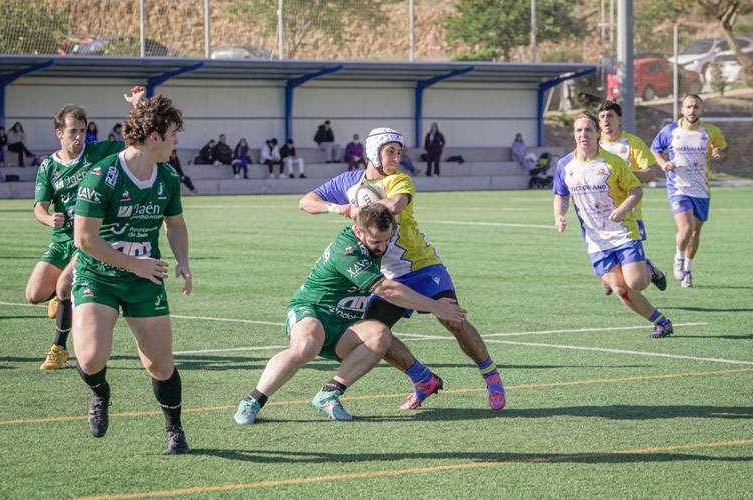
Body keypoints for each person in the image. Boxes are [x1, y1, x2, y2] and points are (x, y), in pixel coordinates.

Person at [299, 128, 506, 410]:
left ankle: (491, 375)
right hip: (386, 275)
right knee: (375, 334)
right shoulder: (349, 181)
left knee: (452, 318)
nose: (396, 157)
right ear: (373, 152)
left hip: (422, 265)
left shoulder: (399, 180)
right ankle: (423, 380)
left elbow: (394, 205)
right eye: (390, 151)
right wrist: (341, 209)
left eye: (399, 152)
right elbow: (306, 202)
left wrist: (362, 209)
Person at [233, 203, 467, 424]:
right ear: (358, 231)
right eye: (376, 241)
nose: (383, 247)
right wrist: (436, 306)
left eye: (387, 240)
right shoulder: (347, 250)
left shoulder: (376, 240)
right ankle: (253, 401)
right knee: (307, 345)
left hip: (343, 325)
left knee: (379, 333)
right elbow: (385, 289)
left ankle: (328, 395)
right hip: (312, 311)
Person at [72, 94, 192, 454]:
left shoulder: (168, 176)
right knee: (91, 358)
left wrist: (183, 260)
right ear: (153, 137)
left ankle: (175, 428)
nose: (176, 141)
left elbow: (175, 224)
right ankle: (100, 394)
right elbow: (84, 239)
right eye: (172, 134)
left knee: (160, 364)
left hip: (144, 280)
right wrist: (135, 263)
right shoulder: (102, 176)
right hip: (98, 277)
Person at [26, 88, 143, 370]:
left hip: (90, 238)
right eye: (72, 132)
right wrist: (47, 218)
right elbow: (39, 207)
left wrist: (137, 108)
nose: (79, 137)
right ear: (59, 134)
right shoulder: (48, 167)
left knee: (65, 285)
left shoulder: (99, 153)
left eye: (82, 131)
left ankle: (58, 348)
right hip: (62, 239)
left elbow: (134, 142)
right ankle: (59, 297)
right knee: (33, 295)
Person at [553, 113, 674, 339]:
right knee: (621, 289)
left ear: (597, 133)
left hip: (623, 233)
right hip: (596, 241)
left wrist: (621, 210)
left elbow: (636, 190)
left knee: (636, 283)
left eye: (588, 130)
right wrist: (559, 215)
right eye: (578, 130)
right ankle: (662, 322)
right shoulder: (564, 165)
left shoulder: (612, 163)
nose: (583, 135)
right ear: (573, 134)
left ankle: (648, 269)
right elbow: (561, 195)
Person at [650, 94, 727, 289]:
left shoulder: (711, 131)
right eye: (688, 107)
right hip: (678, 187)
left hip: (701, 189)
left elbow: (722, 149)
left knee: (695, 233)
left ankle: (687, 268)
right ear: (682, 109)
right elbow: (655, 149)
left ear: (702, 110)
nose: (692, 110)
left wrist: (719, 153)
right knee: (686, 228)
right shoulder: (670, 131)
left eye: (696, 107)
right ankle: (678, 258)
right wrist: (663, 163)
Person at [597, 100, 667, 295]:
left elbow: (650, 173)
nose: (605, 120)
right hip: (600, 212)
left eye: (609, 116)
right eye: (601, 117)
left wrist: (625, 174)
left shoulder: (632, 143)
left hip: (630, 212)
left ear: (619, 119)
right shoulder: (595, 145)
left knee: (628, 261)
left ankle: (647, 269)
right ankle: (612, 275)